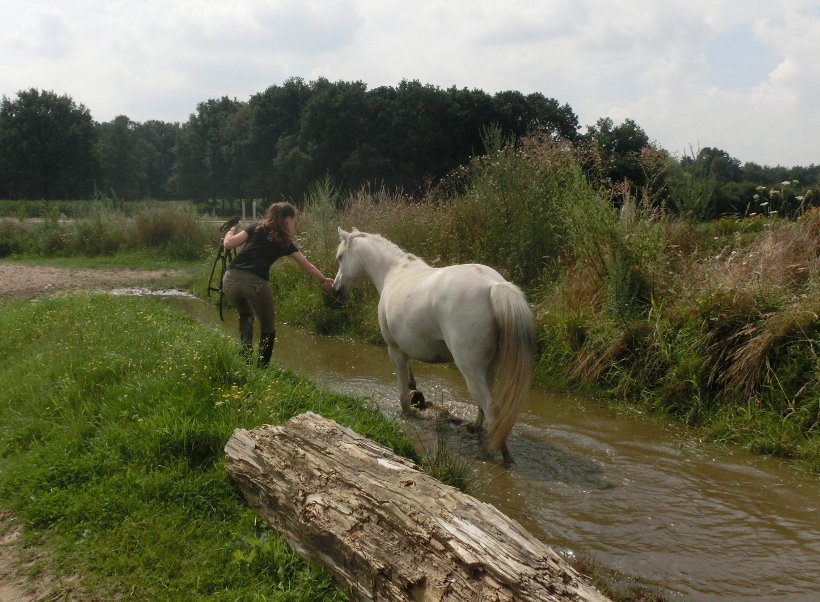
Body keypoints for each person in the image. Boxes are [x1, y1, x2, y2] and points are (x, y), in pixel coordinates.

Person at [222, 202, 333, 367]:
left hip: (229, 279)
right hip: (255, 282)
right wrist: (324, 281)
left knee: (246, 314)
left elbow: (228, 244)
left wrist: (230, 230)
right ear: (288, 220)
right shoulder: (285, 241)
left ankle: (245, 357)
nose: (294, 224)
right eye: (294, 221)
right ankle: (261, 369)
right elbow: (308, 267)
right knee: (267, 328)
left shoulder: (255, 228)